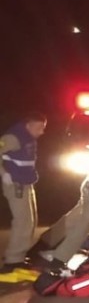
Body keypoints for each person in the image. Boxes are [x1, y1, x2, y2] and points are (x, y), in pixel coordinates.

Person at [1, 111, 47, 273]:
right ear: (28, 125)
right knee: (22, 221)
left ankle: (19, 257)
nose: (41, 132)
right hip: (14, 183)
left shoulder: (28, 137)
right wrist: (4, 174)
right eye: (39, 128)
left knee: (30, 220)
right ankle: (12, 261)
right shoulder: (13, 137)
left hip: (26, 183)